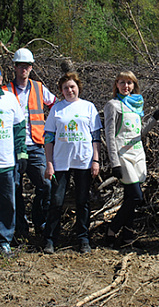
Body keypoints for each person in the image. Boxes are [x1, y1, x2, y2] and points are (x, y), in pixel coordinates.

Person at [43, 72, 102, 254]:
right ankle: (51, 239)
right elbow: (49, 138)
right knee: (56, 200)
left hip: (83, 161)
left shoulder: (88, 107)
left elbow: (95, 137)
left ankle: (83, 239)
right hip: (60, 162)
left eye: (72, 87)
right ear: (61, 90)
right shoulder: (57, 109)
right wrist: (49, 163)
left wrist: (96, 160)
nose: (69, 90)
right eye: (65, 88)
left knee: (82, 201)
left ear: (78, 87)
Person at [2, 48, 57, 237]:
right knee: (13, 188)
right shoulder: (5, 91)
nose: (23, 69)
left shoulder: (39, 87)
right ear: (15, 67)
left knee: (46, 184)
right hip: (12, 148)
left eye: (26, 66)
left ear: (31, 67)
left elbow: (56, 104)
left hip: (36, 145)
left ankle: (38, 219)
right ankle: (20, 228)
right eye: (20, 66)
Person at [104, 71, 159, 248]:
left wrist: (153, 120)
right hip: (122, 155)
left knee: (130, 198)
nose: (125, 86)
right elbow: (110, 136)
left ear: (134, 85)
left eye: (129, 83)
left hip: (137, 153)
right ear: (116, 85)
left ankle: (127, 236)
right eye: (122, 82)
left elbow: (139, 133)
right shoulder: (113, 105)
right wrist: (115, 163)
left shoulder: (136, 105)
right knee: (136, 196)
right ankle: (112, 229)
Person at [0, 59, 27, 258]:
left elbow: (19, 129)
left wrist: (22, 153)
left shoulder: (9, 99)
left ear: (1, 79)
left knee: (8, 203)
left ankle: (3, 241)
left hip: (6, 162)